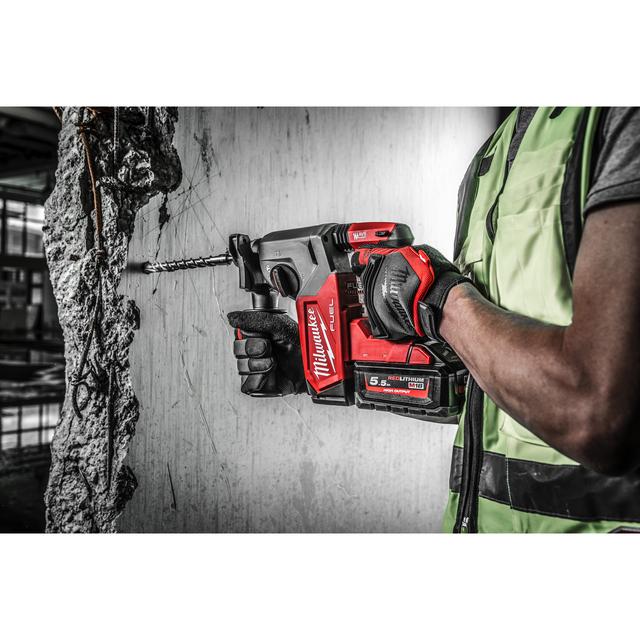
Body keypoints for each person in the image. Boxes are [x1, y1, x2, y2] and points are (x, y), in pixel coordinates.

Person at [228, 107, 640, 533]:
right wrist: (326, 363)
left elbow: (598, 416)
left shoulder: (620, 117)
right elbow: (480, 388)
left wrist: (439, 300)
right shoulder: (492, 157)